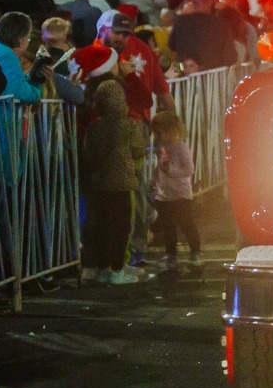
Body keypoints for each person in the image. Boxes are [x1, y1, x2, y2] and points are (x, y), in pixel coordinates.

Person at [79, 62, 147, 286]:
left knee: (102, 227)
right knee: (121, 228)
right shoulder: (128, 125)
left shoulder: (94, 127)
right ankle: (117, 270)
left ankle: (102, 268)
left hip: (99, 184)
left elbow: (88, 154)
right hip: (122, 184)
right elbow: (138, 149)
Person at [150, 108, 203, 274]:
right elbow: (161, 166)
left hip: (181, 195)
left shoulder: (181, 148)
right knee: (169, 226)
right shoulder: (160, 148)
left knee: (187, 225)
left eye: (160, 133)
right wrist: (155, 178)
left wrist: (171, 172)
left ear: (171, 131)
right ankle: (171, 254)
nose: (157, 138)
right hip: (164, 195)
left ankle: (195, 251)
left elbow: (189, 169)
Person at [0, 12, 44, 104]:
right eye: (28, 38)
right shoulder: (7, 55)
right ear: (21, 41)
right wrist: (36, 89)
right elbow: (19, 92)